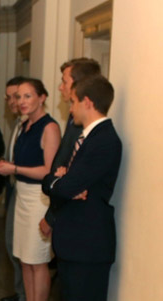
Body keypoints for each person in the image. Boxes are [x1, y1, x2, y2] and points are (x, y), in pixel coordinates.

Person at [42, 75, 120, 300]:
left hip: (87, 246)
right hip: (75, 244)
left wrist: (60, 182)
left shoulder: (104, 140)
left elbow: (66, 187)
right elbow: (57, 184)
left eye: (73, 102)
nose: (71, 108)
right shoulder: (88, 137)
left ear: (88, 102)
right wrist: (58, 181)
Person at [0, 78, 60, 301]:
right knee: (23, 258)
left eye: (27, 96)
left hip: (38, 199)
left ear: (42, 98)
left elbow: (48, 171)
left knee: (37, 260)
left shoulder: (49, 127)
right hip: (22, 196)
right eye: (19, 96)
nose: (21, 101)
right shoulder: (24, 126)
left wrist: (13, 168)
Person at [39, 58, 101, 238]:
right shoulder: (75, 117)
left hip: (76, 217)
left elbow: (73, 176)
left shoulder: (86, 124)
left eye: (64, 81)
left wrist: (51, 217)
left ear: (79, 84)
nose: (60, 87)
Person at [0, 76, 28, 301]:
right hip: (14, 190)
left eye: (15, 97)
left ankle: (23, 294)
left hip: (26, 192)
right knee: (12, 245)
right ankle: (20, 292)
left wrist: (13, 168)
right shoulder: (18, 124)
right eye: (9, 97)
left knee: (20, 248)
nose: (11, 102)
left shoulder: (33, 126)